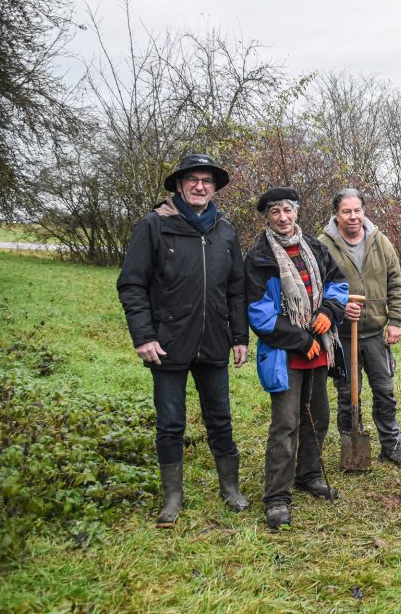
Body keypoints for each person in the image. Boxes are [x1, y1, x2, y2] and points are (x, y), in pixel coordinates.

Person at [117, 153, 250, 527]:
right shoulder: (154, 225)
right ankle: (172, 498)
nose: (199, 186)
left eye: (206, 180)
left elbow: (236, 289)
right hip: (167, 342)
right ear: (178, 184)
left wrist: (239, 336)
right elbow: (132, 284)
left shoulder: (225, 228)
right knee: (171, 422)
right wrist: (143, 336)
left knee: (220, 419)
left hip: (213, 341)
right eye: (192, 179)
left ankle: (231, 488)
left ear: (214, 187)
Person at [245, 187, 348, 530]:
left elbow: (338, 285)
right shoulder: (259, 257)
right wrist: (301, 338)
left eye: (287, 210)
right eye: (275, 212)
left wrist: (330, 312)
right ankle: (276, 496)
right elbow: (260, 315)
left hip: (319, 350)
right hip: (285, 354)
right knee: (286, 424)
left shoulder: (316, 249)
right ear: (267, 217)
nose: (283, 218)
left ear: (296, 213)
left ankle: (309, 475)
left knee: (317, 416)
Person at [318, 188, 401, 468]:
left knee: (385, 391)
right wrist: (337, 308)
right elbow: (315, 288)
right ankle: (351, 448)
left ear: (364, 211)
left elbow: (395, 282)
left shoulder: (379, 241)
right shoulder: (323, 244)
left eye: (357, 210)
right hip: (342, 335)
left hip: (374, 333)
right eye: (346, 211)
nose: (353, 216)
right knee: (347, 395)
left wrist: (395, 321)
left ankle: (391, 447)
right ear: (337, 214)